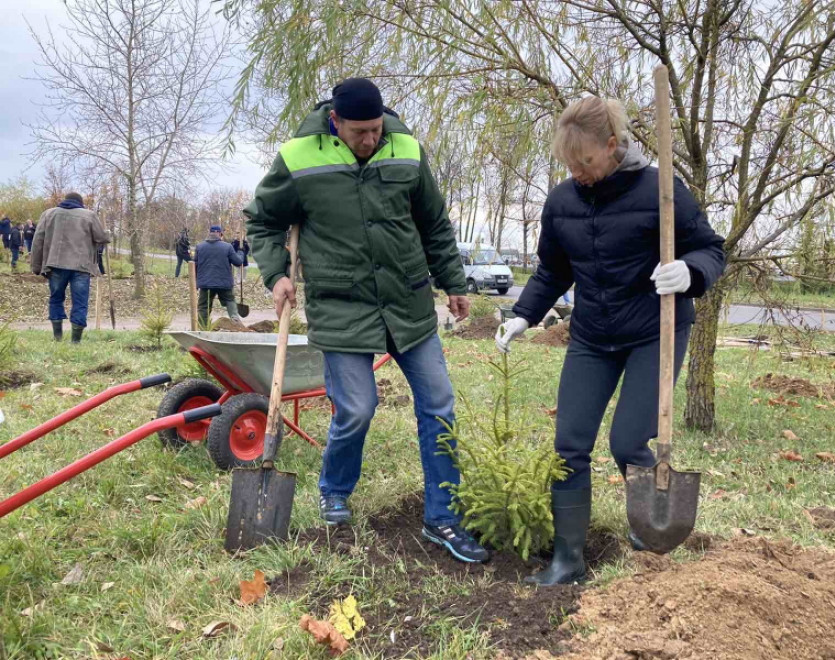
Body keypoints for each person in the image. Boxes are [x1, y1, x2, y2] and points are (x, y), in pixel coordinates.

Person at [244, 77, 487, 564]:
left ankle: (443, 517)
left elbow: (434, 222)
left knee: (439, 406)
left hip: (409, 305)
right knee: (356, 409)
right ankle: (334, 488)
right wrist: (276, 275)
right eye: (359, 131)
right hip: (342, 306)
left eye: (376, 129)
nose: (370, 139)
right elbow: (264, 220)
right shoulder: (299, 157)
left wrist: (453, 282)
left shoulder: (407, 151)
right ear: (336, 122)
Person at [495, 96, 726, 585]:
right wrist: (523, 315)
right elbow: (553, 269)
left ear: (613, 145)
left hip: (653, 332)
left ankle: (649, 530)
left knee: (626, 442)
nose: (578, 172)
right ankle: (568, 559)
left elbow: (710, 249)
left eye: (586, 162)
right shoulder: (562, 203)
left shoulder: (661, 191)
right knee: (569, 445)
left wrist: (690, 272)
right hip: (593, 335)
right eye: (569, 164)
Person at [31, 192, 110, 343]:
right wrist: (107, 233)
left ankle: (58, 338)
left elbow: (37, 241)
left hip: (55, 265)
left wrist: (36, 266)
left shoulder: (48, 214)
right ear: (81, 203)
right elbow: (101, 238)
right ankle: (75, 341)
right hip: (81, 266)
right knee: (80, 302)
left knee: (56, 299)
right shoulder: (89, 215)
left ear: (64, 201)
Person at [194, 225, 244, 327]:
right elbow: (238, 262)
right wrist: (241, 252)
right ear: (220, 234)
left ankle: (202, 328)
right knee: (230, 301)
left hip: (205, 284)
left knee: (203, 307)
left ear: (209, 233)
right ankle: (236, 323)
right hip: (224, 283)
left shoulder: (200, 247)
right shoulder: (227, 247)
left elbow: (194, 266)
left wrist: (196, 282)